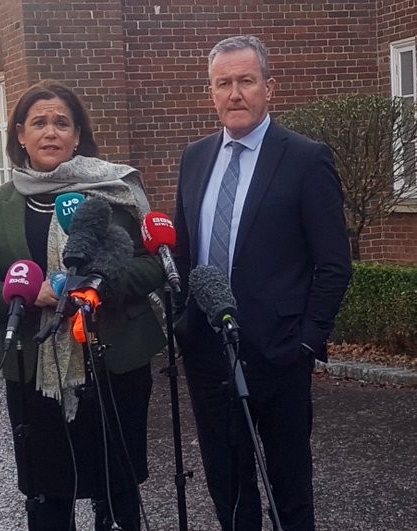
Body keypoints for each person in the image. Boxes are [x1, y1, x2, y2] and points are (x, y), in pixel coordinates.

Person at [0, 79, 166, 531]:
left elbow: (153, 266)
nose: (50, 132)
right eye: (38, 123)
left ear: (77, 135)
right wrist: (26, 294)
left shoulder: (114, 191)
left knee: (116, 490)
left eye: (61, 123)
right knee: (47, 493)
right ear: (20, 135)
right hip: (34, 366)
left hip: (114, 361)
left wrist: (99, 285)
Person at [173, 36, 352, 530]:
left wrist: (308, 340)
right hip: (209, 356)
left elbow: (335, 263)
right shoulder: (194, 157)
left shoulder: (305, 158)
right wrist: (182, 323)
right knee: (227, 488)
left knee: (288, 489)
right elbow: (183, 251)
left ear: (268, 88)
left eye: (246, 81)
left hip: (278, 354)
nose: (235, 94)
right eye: (223, 83)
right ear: (211, 93)